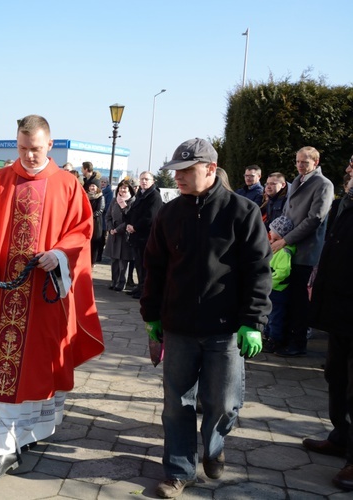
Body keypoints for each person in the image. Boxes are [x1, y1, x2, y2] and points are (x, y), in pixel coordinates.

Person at [0, 115, 104, 485]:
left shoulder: (67, 185)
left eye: (36, 149)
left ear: (49, 144)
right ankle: (3, 447)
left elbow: (82, 231)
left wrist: (59, 254)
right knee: (2, 365)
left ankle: (27, 436)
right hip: (6, 295)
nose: (28, 156)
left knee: (37, 368)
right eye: (23, 148)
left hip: (43, 301)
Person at [140, 138, 271, 499]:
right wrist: (151, 315)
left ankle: (214, 447)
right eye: (175, 171)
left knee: (223, 403)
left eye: (186, 171)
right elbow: (154, 267)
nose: (178, 178)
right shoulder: (168, 214)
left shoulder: (242, 212)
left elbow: (259, 270)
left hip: (225, 330)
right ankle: (180, 471)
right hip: (179, 328)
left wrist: (253, 321)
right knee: (176, 405)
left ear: (210, 169)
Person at [303, 163, 353, 491]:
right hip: (340, 308)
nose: (348, 168)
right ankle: (341, 437)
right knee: (336, 374)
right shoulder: (346, 201)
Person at [272, 147, 333, 356]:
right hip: (288, 249)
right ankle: (282, 339)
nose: (300, 165)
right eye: (298, 161)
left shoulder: (324, 185)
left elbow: (315, 218)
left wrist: (286, 239)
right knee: (286, 297)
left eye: (305, 162)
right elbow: (288, 212)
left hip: (305, 252)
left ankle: (297, 344)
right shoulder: (298, 180)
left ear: (315, 162)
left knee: (299, 301)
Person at [125, 171, 163, 299]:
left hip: (145, 236)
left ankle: (145, 290)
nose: (144, 181)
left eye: (147, 179)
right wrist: (129, 224)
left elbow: (150, 217)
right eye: (142, 179)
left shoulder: (154, 196)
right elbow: (132, 212)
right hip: (136, 236)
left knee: (145, 264)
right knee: (138, 264)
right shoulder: (140, 195)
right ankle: (140, 287)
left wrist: (135, 226)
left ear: (153, 181)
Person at [262, 216, 295, 354]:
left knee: (276, 316)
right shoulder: (275, 246)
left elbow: (283, 272)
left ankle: (275, 339)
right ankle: (269, 336)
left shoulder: (285, 251)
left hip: (277, 289)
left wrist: (270, 281)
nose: (270, 232)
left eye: (272, 230)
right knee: (270, 314)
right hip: (271, 288)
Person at [104, 180, 136, 291]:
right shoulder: (114, 201)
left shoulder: (132, 201)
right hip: (113, 235)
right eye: (121, 187)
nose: (122, 190)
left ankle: (121, 283)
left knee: (123, 261)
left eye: (125, 188)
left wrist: (118, 230)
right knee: (114, 260)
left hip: (124, 234)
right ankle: (114, 281)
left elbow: (129, 218)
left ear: (129, 189)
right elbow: (108, 216)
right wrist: (110, 228)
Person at [87, 177, 105, 264]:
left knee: (94, 243)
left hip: (96, 223)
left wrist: (90, 216)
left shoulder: (100, 197)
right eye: (90, 186)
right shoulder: (86, 196)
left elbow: (100, 210)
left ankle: (92, 262)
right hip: (87, 222)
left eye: (93, 186)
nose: (91, 187)